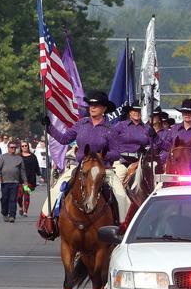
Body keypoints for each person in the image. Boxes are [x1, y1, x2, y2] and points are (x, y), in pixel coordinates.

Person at [46, 91, 133, 227]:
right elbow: (64, 139)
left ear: (104, 108)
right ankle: (48, 222)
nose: (92, 108)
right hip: (80, 167)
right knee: (55, 190)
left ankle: (123, 227)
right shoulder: (81, 124)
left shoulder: (111, 129)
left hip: (103, 169)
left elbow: (116, 153)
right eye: (91, 105)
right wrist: (49, 127)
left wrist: (101, 156)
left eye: (96, 105)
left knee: (122, 197)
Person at [159, 98, 191, 172]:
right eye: (184, 112)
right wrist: (160, 159)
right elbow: (168, 147)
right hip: (174, 164)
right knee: (159, 180)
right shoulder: (174, 129)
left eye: (190, 112)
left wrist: (186, 160)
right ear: (182, 113)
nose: (187, 114)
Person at [109, 102, 153, 184]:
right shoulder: (120, 125)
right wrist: (115, 153)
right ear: (130, 113)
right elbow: (111, 139)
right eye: (134, 111)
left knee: (153, 181)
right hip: (122, 162)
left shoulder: (147, 128)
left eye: (138, 111)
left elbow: (152, 145)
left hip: (140, 162)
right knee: (115, 183)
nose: (136, 113)